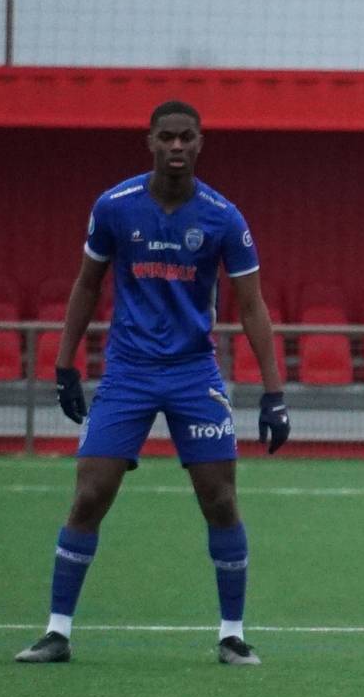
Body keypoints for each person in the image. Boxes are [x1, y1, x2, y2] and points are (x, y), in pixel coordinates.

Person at [14, 100, 289, 666]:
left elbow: (252, 305)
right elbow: (87, 285)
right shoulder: (114, 207)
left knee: (220, 499)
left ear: (200, 142)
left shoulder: (223, 217)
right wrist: (64, 365)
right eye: (167, 137)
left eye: (187, 136)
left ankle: (232, 635)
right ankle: (57, 632)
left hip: (194, 373)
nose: (176, 146)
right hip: (128, 372)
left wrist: (274, 393)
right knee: (90, 494)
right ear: (150, 142)